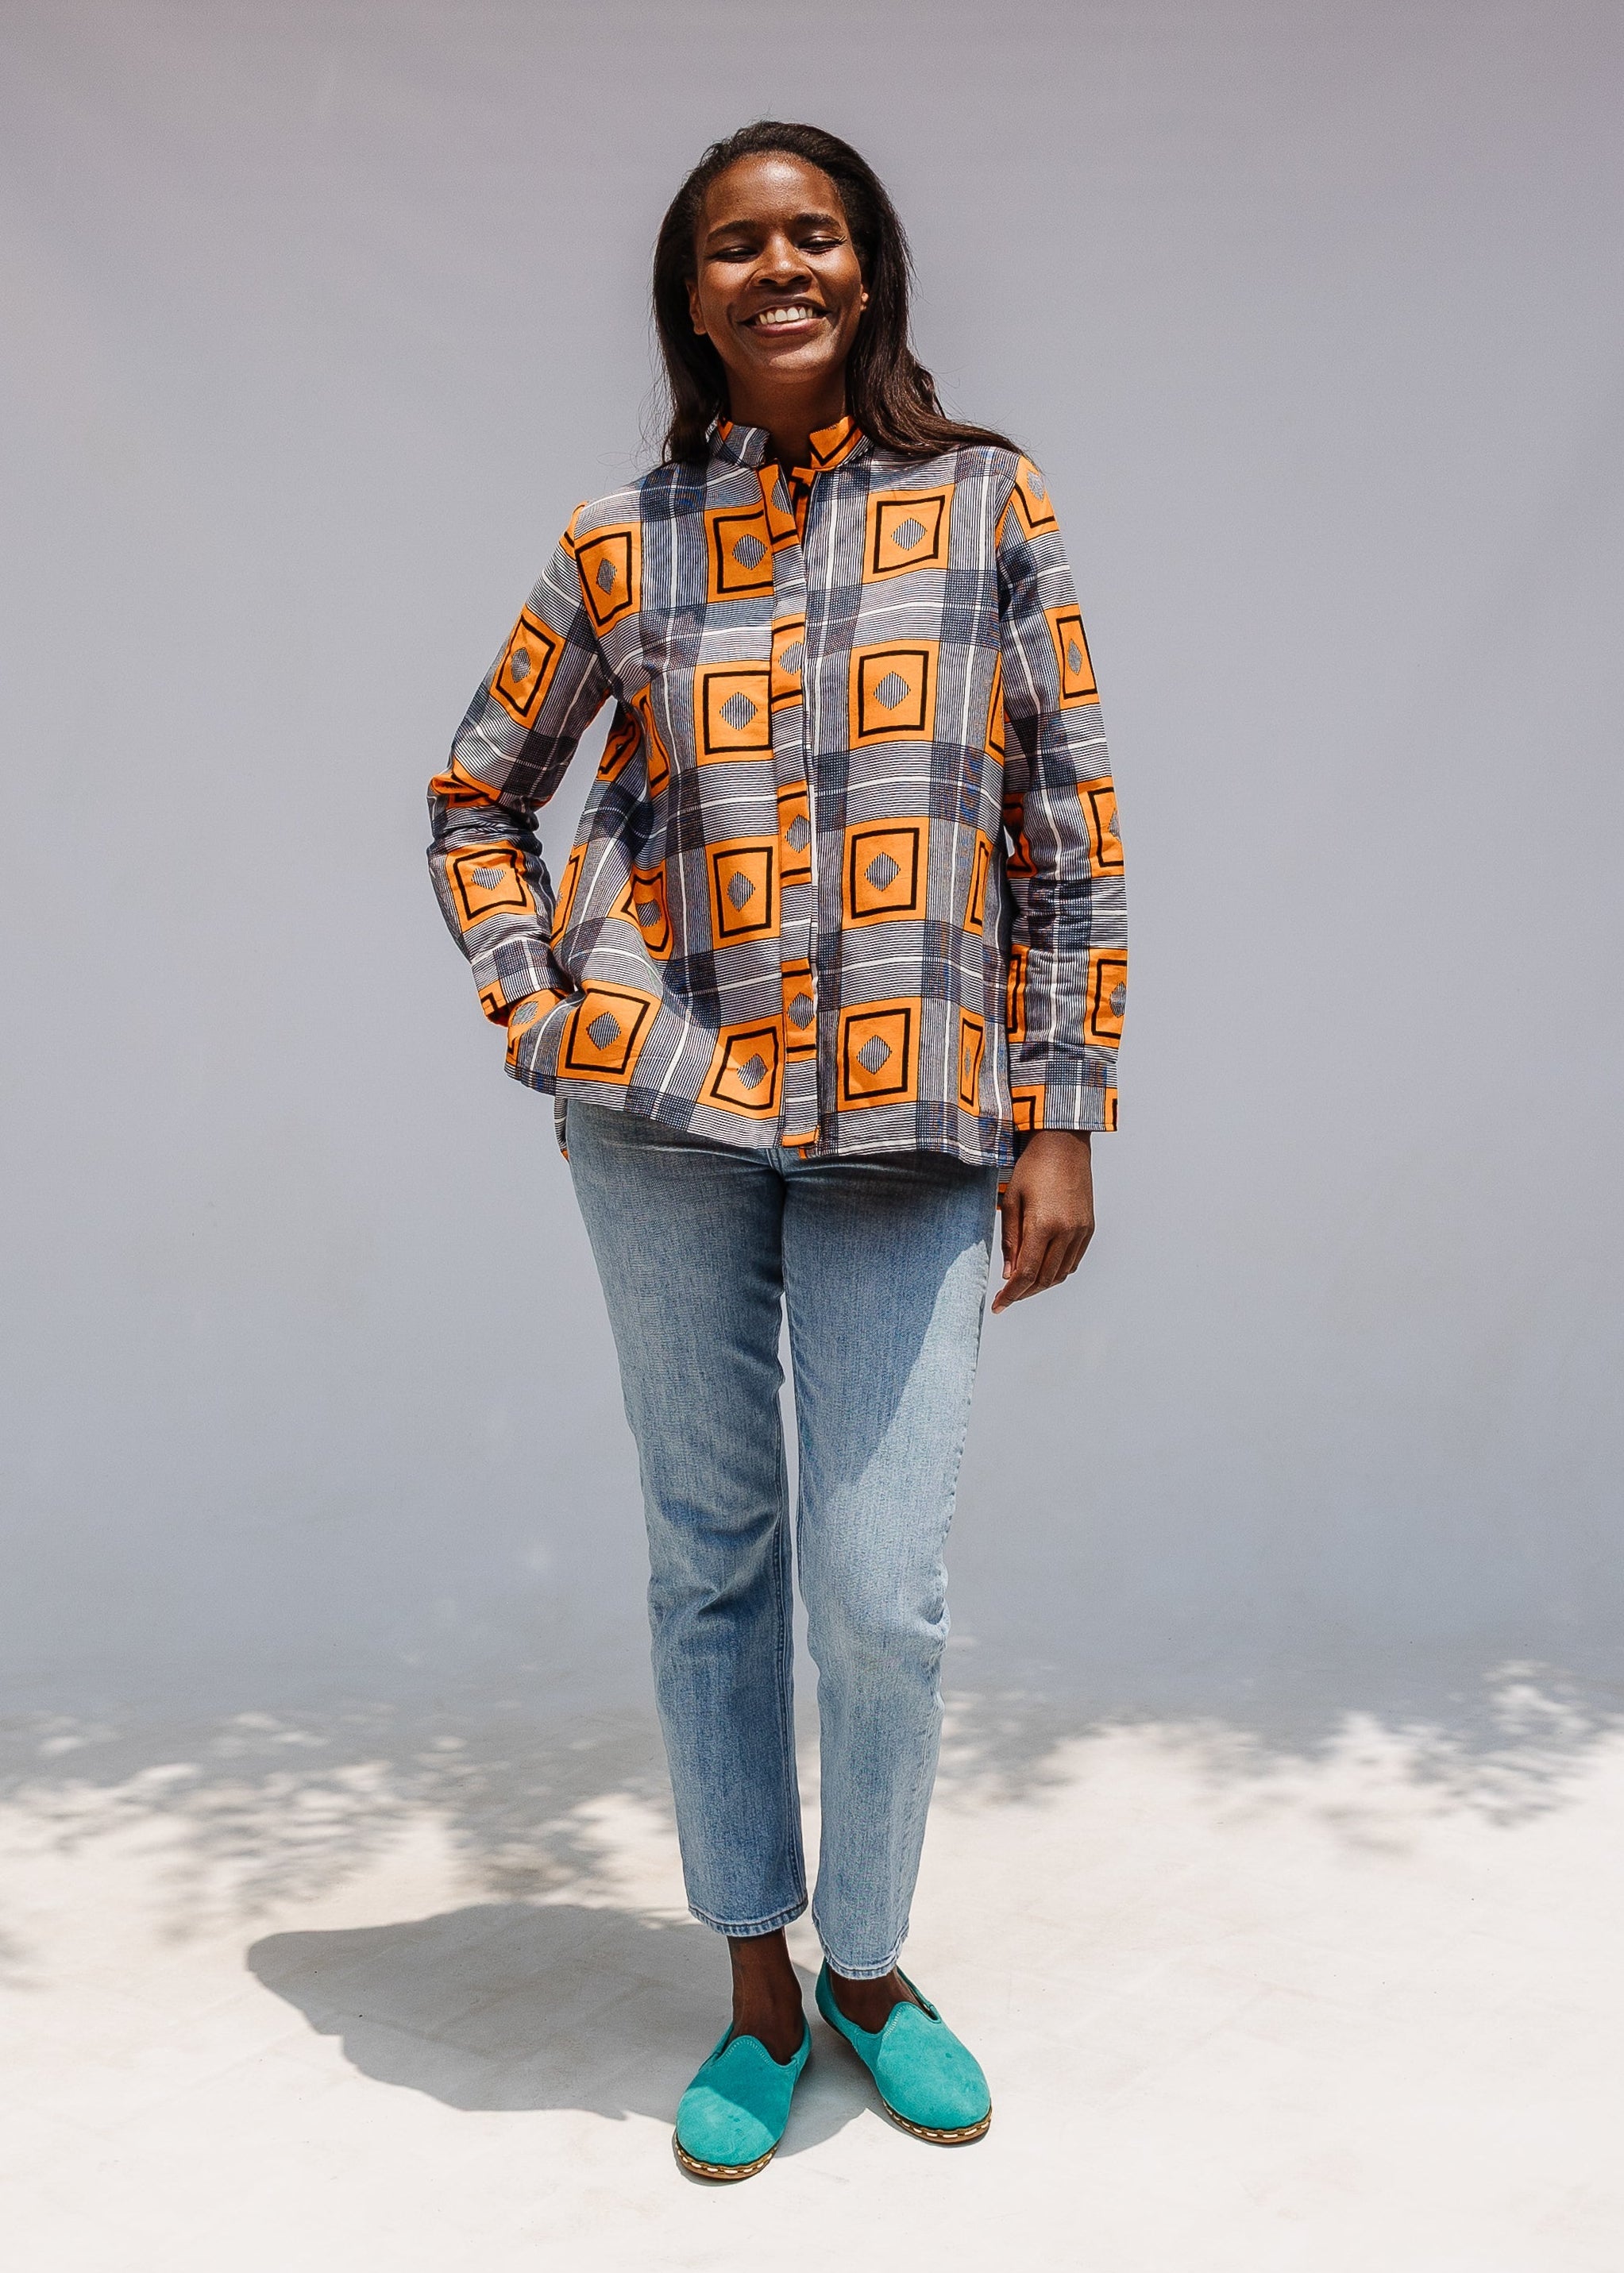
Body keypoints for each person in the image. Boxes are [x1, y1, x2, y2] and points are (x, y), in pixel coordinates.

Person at [427, 119, 1126, 2180]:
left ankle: (874, 1972)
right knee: (710, 1558)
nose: (779, 268)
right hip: (660, 1115)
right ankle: (752, 1982)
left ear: (871, 269)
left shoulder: (988, 507)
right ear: (692, 293)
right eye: (737, 244)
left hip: (915, 1113)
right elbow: (477, 795)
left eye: (812, 233)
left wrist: (1062, 1115)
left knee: (882, 1589)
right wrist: (537, 1004)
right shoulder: (618, 541)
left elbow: (1067, 833)